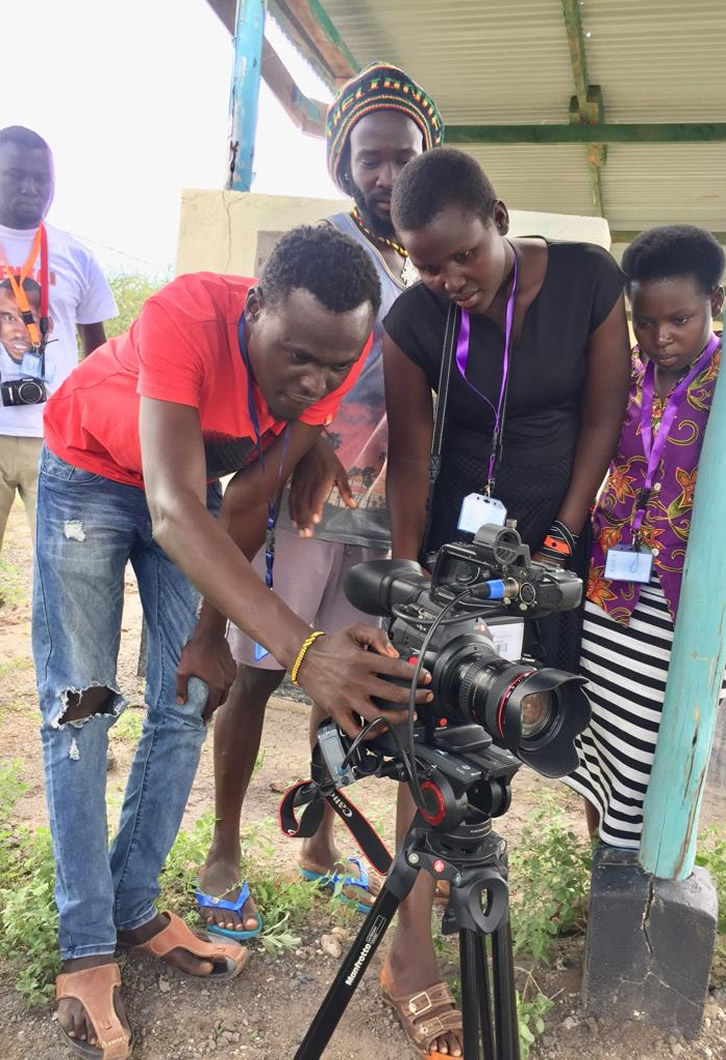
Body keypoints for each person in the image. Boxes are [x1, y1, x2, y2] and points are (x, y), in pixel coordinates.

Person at [34, 225, 432, 1060]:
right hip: (92, 477)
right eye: (300, 358)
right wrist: (303, 650)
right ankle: (85, 946)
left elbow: (247, 498)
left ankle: (135, 908)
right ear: (256, 308)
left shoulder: (331, 349)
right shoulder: (187, 316)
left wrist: (215, 634)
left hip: (192, 503)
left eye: (336, 364)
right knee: (82, 710)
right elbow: (178, 510)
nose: (317, 380)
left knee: (185, 703)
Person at [380, 147, 631, 1058]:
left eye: (462, 257)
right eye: (425, 262)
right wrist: (408, 577)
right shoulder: (413, 319)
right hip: (455, 552)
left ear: (498, 216)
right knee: (430, 727)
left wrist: (566, 531)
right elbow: (410, 455)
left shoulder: (590, 284)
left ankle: (462, 869)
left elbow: (602, 416)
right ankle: (409, 954)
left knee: (518, 715)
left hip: (551, 549)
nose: (447, 279)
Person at [196, 63, 444, 938]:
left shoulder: (437, 264)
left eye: (402, 157)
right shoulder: (321, 248)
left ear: (428, 160)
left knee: (343, 684)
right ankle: (225, 846)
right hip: (302, 505)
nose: (386, 174)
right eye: (370, 158)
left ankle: (320, 842)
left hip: (385, 519)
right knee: (262, 672)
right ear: (345, 165)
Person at [563, 224, 726, 847]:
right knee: (600, 741)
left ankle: (642, 883)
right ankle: (603, 873)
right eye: (644, 321)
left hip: (696, 599)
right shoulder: (624, 368)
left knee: (656, 750)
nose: (659, 338)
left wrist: (717, 534)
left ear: (714, 304)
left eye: (680, 319)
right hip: (610, 591)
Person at [0, 125, 116, 554]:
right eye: (15, 175)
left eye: (41, 178)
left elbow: (99, 351)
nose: (31, 188)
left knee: (60, 564)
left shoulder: (75, 255)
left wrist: (98, 425)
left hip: (56, 439)